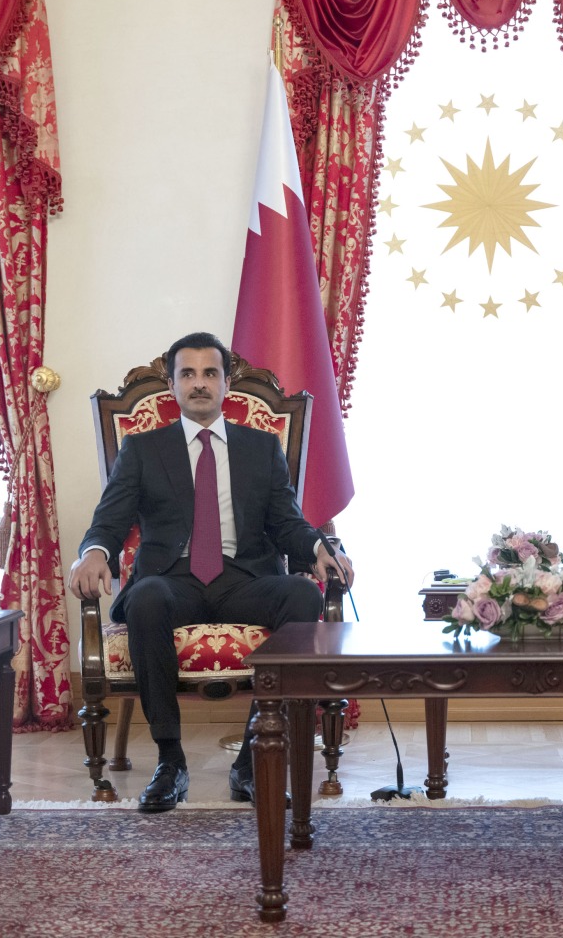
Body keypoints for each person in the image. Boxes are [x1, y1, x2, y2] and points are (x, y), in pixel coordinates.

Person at [68, 331, 353, 813]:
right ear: (172, 384)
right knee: (148, 597)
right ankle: (171, 761)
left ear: (226, 384)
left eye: (210, 373)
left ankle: (250, 759)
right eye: (188, 374)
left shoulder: (261, 448)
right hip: (172, 581)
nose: (199, 383)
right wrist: (93, 551)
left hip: (244, 579)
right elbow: (109, 521)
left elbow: (286, 521)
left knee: (303, 598)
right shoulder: (142, 449)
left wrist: (317, 546)